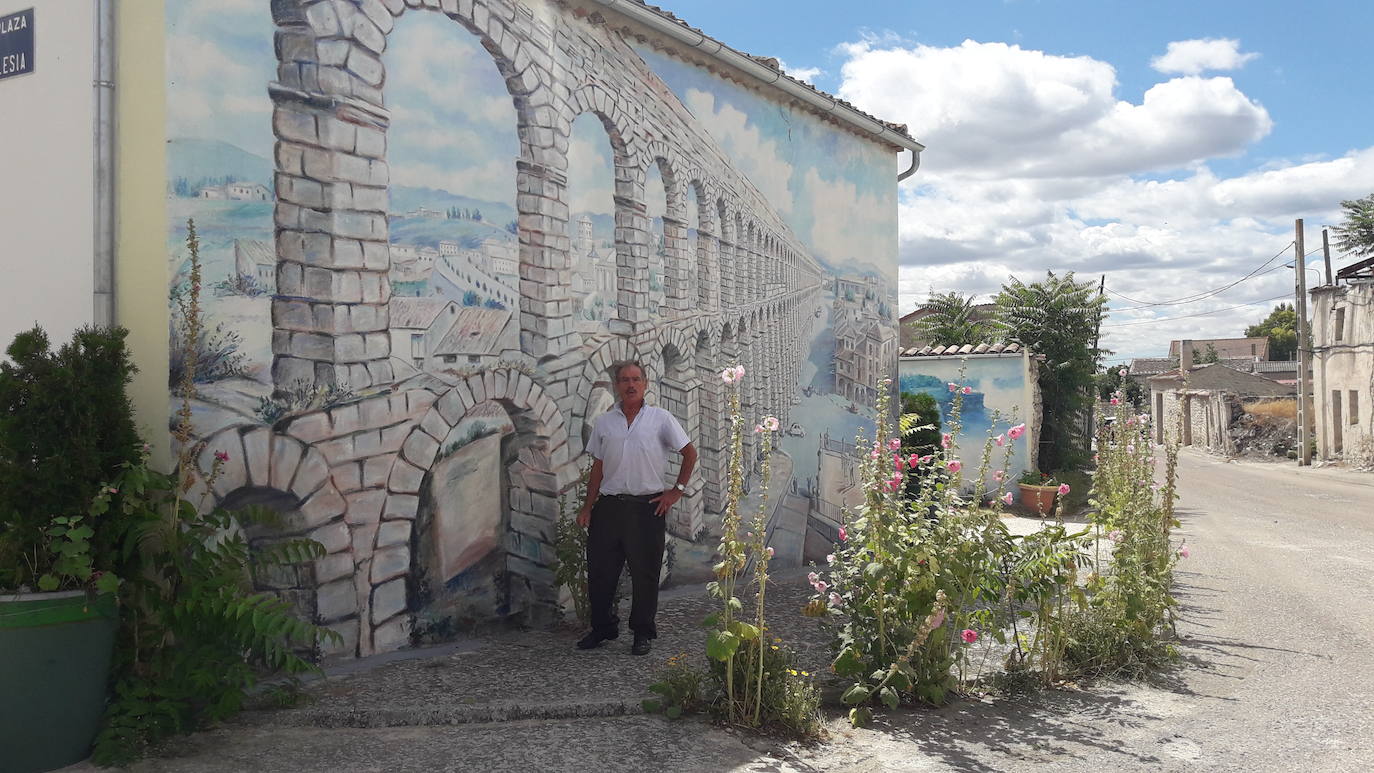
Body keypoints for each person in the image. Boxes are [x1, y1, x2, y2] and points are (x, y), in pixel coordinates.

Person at [576, 361, 697, 656]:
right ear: (617, 385)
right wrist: (587, 507)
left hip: (647, 509)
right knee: (601, 573)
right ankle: (603, 627)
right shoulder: (605, 422)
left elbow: (689, 453)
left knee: (645, 575)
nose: (630, 385)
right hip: (609, 508)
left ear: (645, 384)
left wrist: (676, 492)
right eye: (624, 380)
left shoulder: (661, 418)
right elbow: (598, 467)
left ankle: (642, 632)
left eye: (636, 379)